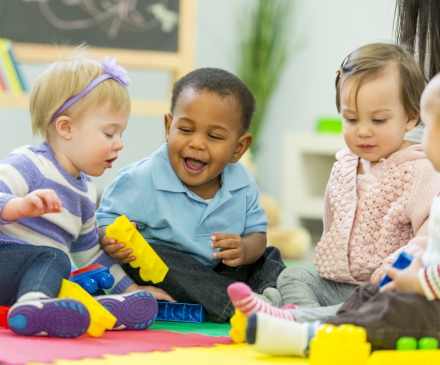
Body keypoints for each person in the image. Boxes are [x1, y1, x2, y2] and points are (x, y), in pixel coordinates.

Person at [227, 42, 440, 322]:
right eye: (350, 119)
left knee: (377, 307)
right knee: (294, 274)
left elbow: (428, 238)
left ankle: (291, 317)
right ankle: (297, 314)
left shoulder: (420, 170)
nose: (363, 131)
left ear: (410, 118)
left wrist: (396, 267)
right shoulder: (344, 166)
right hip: (337, 285)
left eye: (378, 120)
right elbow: (332, 224)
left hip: (385, 286)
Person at [0, 47, 171, 338]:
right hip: (8, 263)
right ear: (66, 127)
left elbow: (91, 254)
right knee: (55, 259)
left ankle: (100, 309)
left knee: (66, 272)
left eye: (121, 134)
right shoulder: (31, 164)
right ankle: (35, 307)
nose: (119, 144)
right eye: (109, 133)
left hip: (35, 275)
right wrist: (18, 206)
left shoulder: (85, 193)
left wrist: (133, 288)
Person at [96, 67, 286, 323]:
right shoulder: (140, 180)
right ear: (168, 126)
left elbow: (257, 235)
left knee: (268, 256)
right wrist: (111, 239)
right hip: (168, 274)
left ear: (238, 148)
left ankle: (282, 298)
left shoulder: (242, 183)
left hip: (220, 272)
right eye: (185, 130)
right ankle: (241, 308)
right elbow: (103, 222)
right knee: (157, 255)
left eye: (214, 136)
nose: (196, 143)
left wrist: (243, 249)